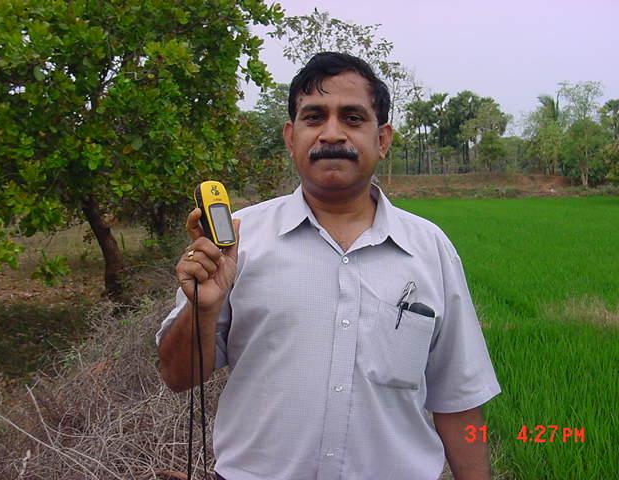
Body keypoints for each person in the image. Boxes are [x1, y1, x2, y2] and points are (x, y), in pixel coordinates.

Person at [156, 52, 501, 480]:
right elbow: (176, 376)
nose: (332, 133)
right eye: (314, 117)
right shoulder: (237, 244)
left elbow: (460, 400)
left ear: (383, 139)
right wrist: (201, 310)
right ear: (290, 136)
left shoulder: (430, 249)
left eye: (353, 118)